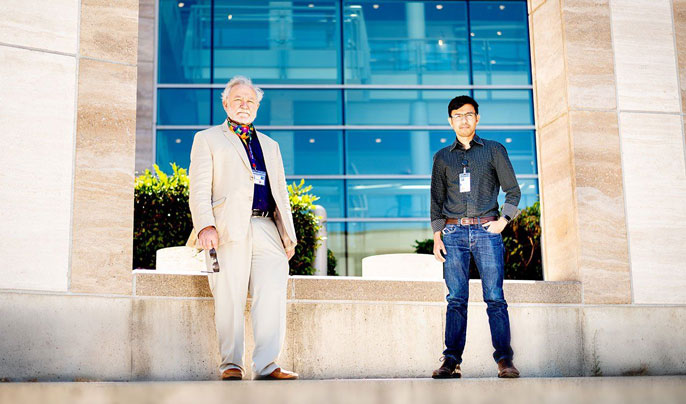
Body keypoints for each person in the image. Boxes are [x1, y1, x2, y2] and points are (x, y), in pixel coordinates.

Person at [188, 75, 298, 381]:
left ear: (258, 106)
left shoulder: (270, 145)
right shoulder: (207, 139)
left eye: (250, 100)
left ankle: (267, 365)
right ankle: (231, 364)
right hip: (225, 229)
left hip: (267, 228)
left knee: (272, 295)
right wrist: (205, 225)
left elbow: (281, 191)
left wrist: (288, 236)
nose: (244, 105)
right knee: (228, 296)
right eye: (237, 100)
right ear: (225, 103)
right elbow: (198, 189)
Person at [430, 95, 521, 379]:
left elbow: (513, 192)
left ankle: (504, 360)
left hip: (486, 231)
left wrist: (503, 221)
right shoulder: (442, 157)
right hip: (453, 233)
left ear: (477, 118)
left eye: (469, 114)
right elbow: (436, 200)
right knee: (456, 299)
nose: (464, 120)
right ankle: (451, 361)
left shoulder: (494, 150)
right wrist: (437, 236)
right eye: (458, 115)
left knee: (495, 298)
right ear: (450, 121)